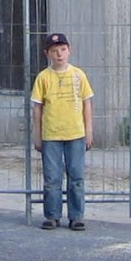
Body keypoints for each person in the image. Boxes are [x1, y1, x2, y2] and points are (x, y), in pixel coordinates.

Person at [30, 32, 94, 230]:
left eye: (63, 50)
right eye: (54, 51)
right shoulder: (43, 78)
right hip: (51, 135)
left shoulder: (79, 75)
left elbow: (87, 104)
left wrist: (89, 131)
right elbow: (37, 108)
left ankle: (76, 216)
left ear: (69, 51)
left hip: (76, 134)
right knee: (52, 178)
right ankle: (52, 216)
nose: (59, 54)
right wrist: (37, 135)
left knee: (76, 177)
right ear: (47, 54)